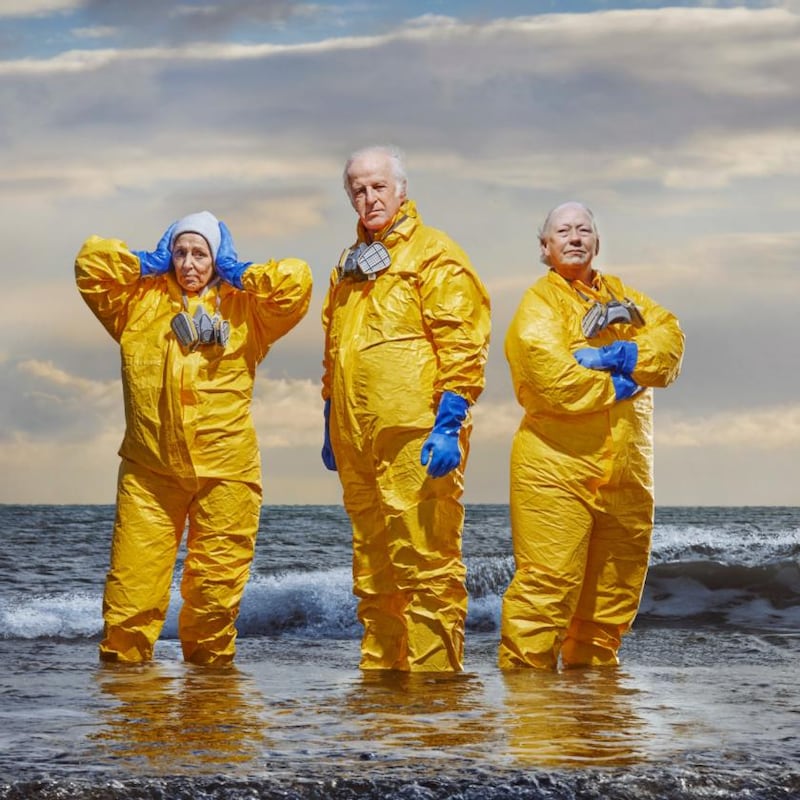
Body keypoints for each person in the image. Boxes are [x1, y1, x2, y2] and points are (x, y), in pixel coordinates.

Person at [75, 210, 312, 666]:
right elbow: (90, 265)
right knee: (130, 600)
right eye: (179, 252)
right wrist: (146, 262)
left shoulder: (247, 310)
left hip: (227, 474)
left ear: (217, 257)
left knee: (213, 601)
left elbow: (295, 283)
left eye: (200, 253)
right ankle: (128, 712)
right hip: (150, 474)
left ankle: (210, 710)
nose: (188, 263)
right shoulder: (137, 305)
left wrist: (240, 272)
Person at [320, 145, 491, 672]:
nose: (368, 198)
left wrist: (449, 420)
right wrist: (330, 421)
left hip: (417, 436)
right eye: (358, 190)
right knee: (373, 570)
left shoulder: (435, 255)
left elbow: (462, 342)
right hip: (358, 440)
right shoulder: (347, 270)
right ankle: (384, 683)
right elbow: (334, 353)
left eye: (377, 187)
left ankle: (435, 692)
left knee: (425, 564)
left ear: (401, 190)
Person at [498, 201, 684, 670]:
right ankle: (532, 720)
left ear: (597, 242)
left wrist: (621, 355)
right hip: (554, 468)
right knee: (546, 590)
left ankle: (595, 723)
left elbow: (670, 340)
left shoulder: (623, 297)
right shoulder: (538, 304)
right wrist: (624, 383)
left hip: (627, 472)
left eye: (584, 230)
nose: (575, 237)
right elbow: (550, 379)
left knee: (611, 598)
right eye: (563, 231)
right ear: (545, 247)